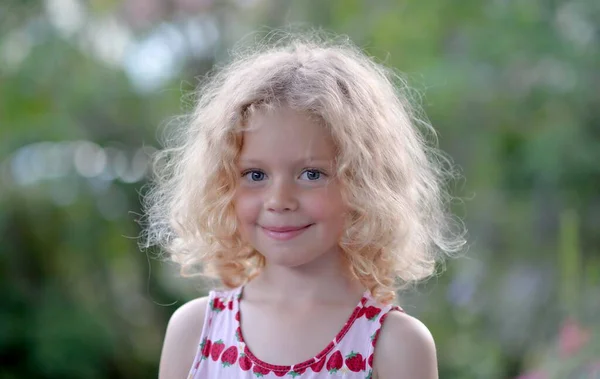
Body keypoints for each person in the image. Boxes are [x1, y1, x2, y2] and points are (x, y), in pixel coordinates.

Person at [142, 32, 465, 379]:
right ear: (222, 185)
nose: (279, 200)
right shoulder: (194, 332)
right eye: (254, 174)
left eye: (311, 174)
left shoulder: (395, 345)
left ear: (364, 184)